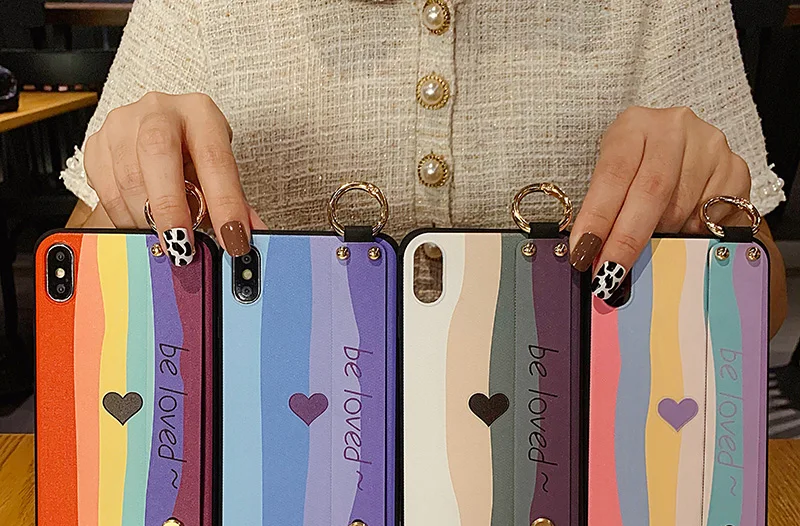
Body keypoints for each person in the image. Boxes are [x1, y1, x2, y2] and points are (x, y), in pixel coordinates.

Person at [63, 0, 787, 333]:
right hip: (259, 498)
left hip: (582, 486)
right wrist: (130, 197)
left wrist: (708, 225)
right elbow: (77, 310)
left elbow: (769, 304)